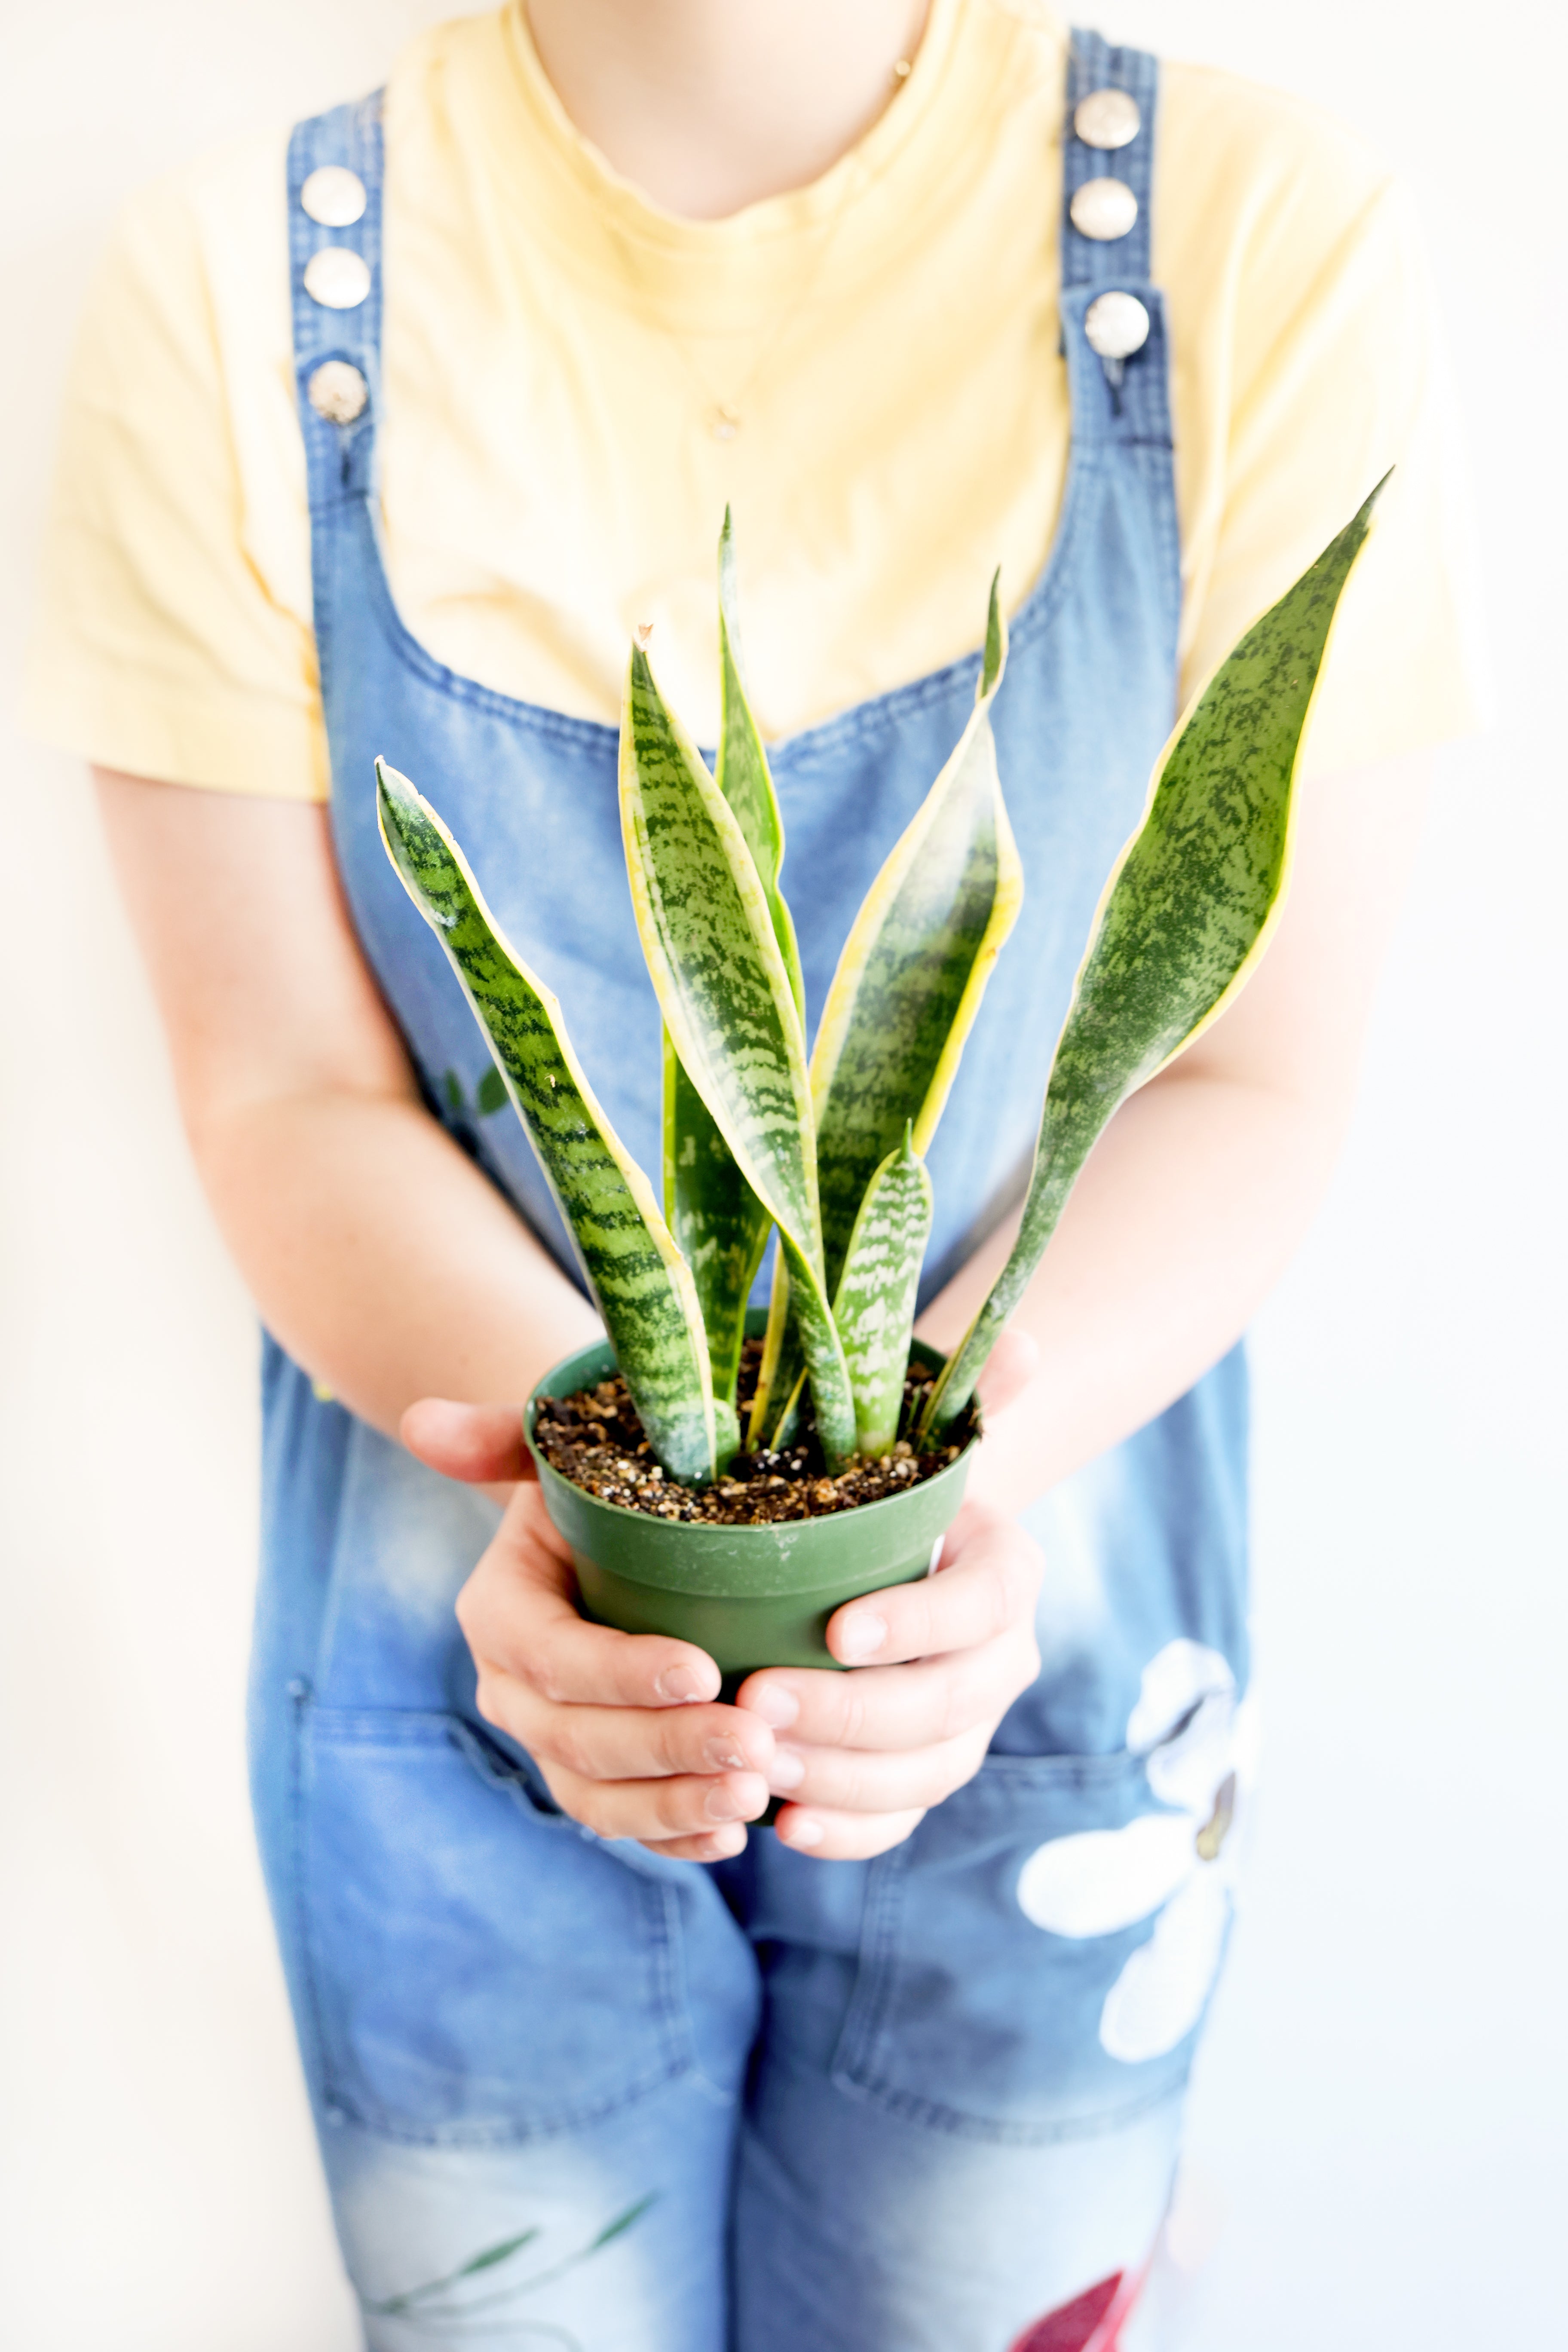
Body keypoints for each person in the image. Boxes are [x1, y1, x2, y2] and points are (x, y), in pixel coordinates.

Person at [25, 2, 1482, 2345]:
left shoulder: (1257, 246)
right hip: (463, 1648)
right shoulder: (235, 290)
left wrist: (907, 1494)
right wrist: (629, 1491)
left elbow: (1254, 1070)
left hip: (1039, 1642)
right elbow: (284, 1090)